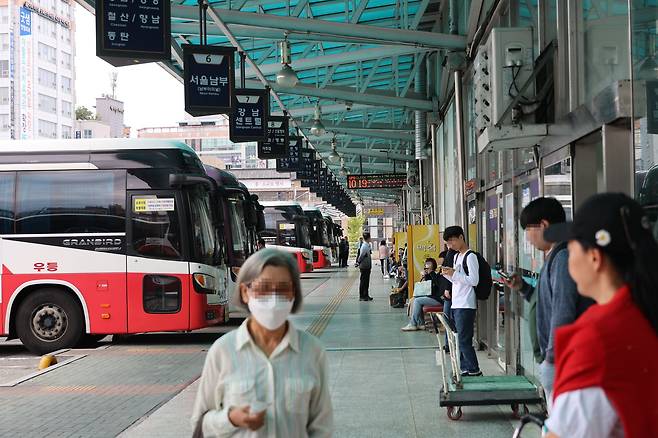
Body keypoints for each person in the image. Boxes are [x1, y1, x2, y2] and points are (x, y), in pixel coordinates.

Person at [541, 193, 658, 438]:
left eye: (570, 250)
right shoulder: (642, 314)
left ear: (594, 258)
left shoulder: (597, 339)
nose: (568, 260)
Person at [190, 248, 334, 437]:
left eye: (283, 289)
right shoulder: (223, 351)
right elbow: (200, 423)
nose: (274, 298)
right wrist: (230, 418)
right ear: (244, 292)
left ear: (293, 294)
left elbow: (321, 426)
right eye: (263, 288)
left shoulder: (313, 351)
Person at [503, 197, 593, 401]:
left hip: (563, 362)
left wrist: (551, 360)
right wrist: (523, 288)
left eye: (528, 229)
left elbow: (563, 312)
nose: (527, 238)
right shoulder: (556, 256)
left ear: (544, 225)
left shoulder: (562, 258)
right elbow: (547, 302)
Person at [440, 226, 481, 377]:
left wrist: (455, 274)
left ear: (461, 237)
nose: (450, 246)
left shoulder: (471, 256)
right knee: (460, 339)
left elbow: (474, 280)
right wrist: (448, 275)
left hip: (466, 304)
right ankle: (465, 368)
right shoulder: (457, 257)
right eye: (448, 243)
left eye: (452, 241)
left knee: (464, 339)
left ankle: (474, 369)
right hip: (456, 303)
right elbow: (457, 280)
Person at [401, 258, 443, 331]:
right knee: (413, 300)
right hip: (432, 297)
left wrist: (431, 273)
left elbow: (437, 284)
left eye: (429, 265)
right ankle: (421, 323)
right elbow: (427, 287)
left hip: (438, 299)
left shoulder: (438, 275)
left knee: (417, 301)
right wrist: (425, 275)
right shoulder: (431, 275)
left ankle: (413, 324)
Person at [438, 246, 457, 353]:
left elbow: (448, 274)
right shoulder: (454, 254)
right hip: (452, 293)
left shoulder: (451, 254)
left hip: (450, 293)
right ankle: (449, 344)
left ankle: (449, 344)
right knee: (449, 319)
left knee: (448, 318)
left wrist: (447, 289)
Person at [356, 232, 373, 301]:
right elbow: (361, 256)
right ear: (368, 238)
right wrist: (358, 262)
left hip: (366, 266)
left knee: (366, 281)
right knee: (363, 281)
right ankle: (362, 296)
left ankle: (366, 295)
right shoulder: (364, 246)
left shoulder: (367, 245)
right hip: (364, 266)